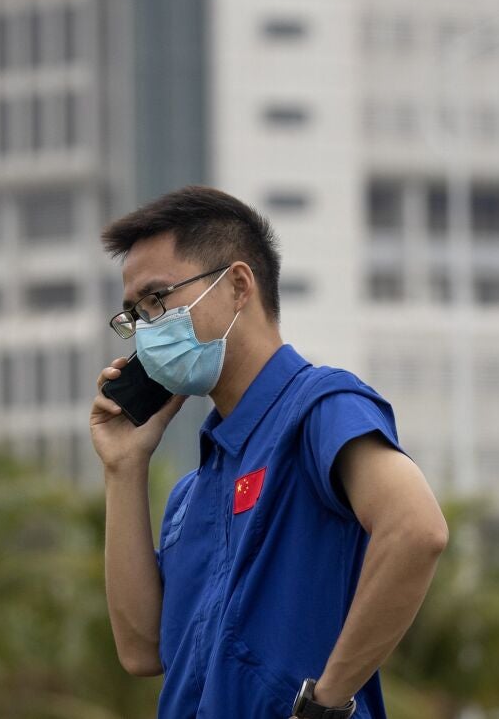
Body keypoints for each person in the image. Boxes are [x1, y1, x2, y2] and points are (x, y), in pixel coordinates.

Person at [90, 186, 447, 719]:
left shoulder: (320, 407)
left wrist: (324, 705)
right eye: (135, 315)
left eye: (157, 299)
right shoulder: (194, 490)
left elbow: (417, 529)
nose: (145, 329)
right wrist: (124, 467)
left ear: (238, 285)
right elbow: (141, 651)